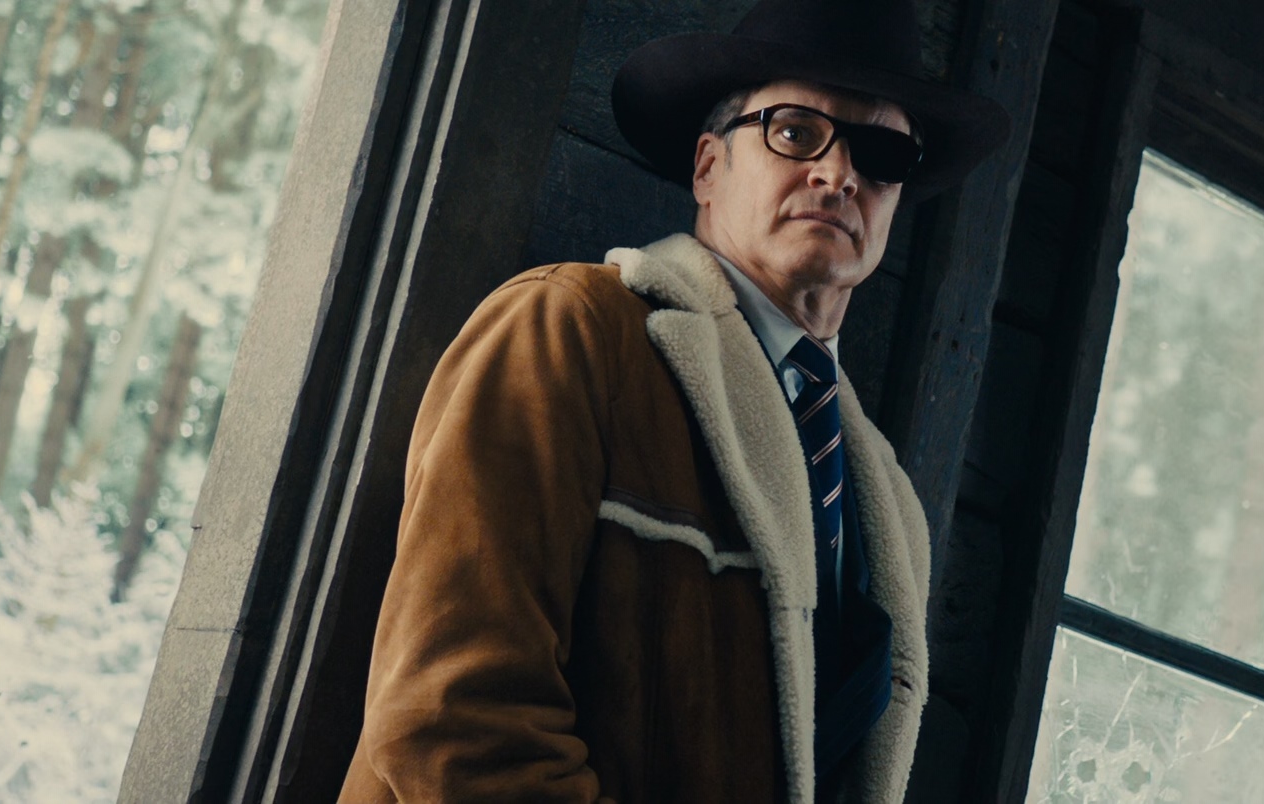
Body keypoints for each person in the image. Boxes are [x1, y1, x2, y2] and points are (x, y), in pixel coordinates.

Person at [337, 0, 1008, 801]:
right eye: (796, 132)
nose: (838, 175)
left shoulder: (884, 500)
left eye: (883, 154)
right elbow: (453, 715)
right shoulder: (570, 328)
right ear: (708, 167)